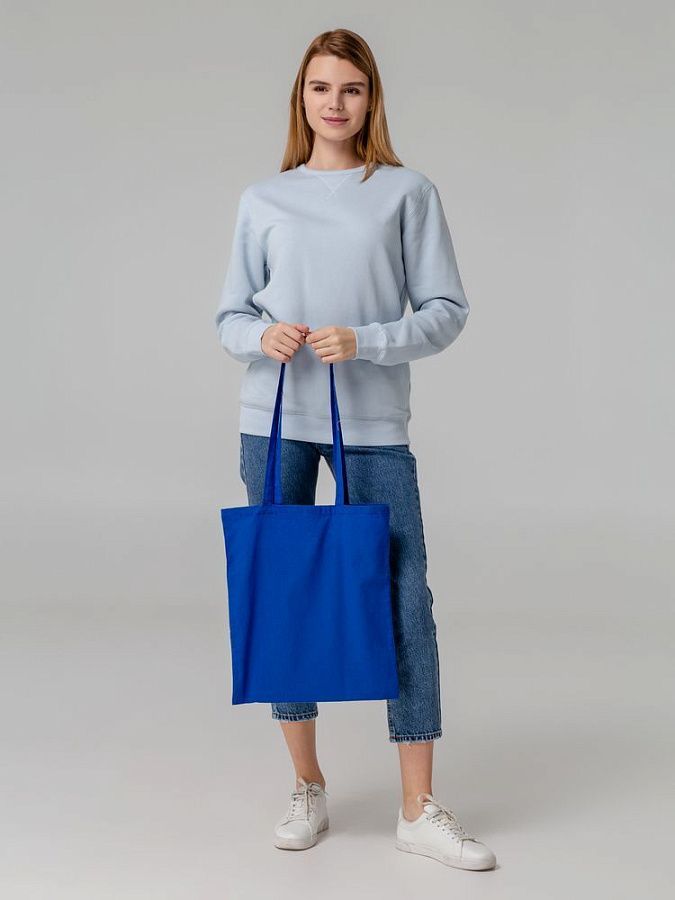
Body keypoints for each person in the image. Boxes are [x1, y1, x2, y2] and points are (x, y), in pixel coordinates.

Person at [214, 28, 497, 872]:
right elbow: (230, 316)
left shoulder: (405, 192)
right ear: (300, 99)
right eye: (319, 87)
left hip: (371, 422)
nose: (334, 103)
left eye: (351, 87)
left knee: (404, 596)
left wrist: (365, 339)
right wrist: (260, 337)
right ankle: (307, 783)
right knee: (283, 590)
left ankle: (417, 807)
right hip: (273, 418)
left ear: (372, 98)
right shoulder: (263, 198)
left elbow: (445, 310)